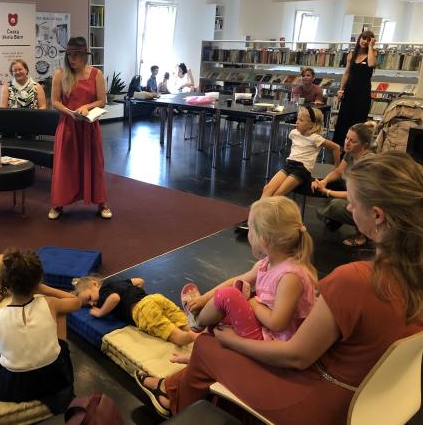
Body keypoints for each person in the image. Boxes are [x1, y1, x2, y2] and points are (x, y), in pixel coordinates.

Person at [135, 152, 423, 424]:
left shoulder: (355, 280)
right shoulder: (409, 276)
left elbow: (295, 356)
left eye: (353, 200)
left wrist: (231, 341)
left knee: (209, 345)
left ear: (377, 215)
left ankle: (174, 403)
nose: (348, 206)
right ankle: (172, 388)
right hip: (367, 401)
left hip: (319, 402)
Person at [175, 196, 316, 364]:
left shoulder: (291, 277)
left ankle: (196, 322)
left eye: (250, 228)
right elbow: (236, 279)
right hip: (264, 329)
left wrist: (252, 302)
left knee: (229, 296)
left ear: (263, 239)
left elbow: (277, 324)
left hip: (272, 341)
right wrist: (204, 299)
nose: (248, 232)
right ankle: (199, 350)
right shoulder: (266, 263)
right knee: (223, 310)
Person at [0, 248, 81, 414]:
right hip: (56, 377)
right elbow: (76, 301)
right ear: (38, 280)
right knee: (61, 313)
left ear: (5, 283)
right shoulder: (51, 304)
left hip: (17, 386)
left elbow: (0, 357)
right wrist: (44, 289)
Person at [237, 106, 340, 231]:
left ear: (311, 124)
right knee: (268, 188)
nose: (297, 122)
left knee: (279, 193)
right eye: (297, 119)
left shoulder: (315, 138)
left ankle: (263, 222)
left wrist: (337, 167)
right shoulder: (294, 133)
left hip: (302, 170)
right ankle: (254, 219)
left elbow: (336, 148)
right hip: (289, 165)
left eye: (301, 120)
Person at [48, 36, 110, 220]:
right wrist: (70, 112)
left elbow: (102, 101)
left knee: (95, 164)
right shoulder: (60, 74)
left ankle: (101, 202)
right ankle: (58, 203)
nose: (71, 59)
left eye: (76, 55)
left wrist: (87, 107)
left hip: (89, 127)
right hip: (68, 126)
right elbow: (55, 102)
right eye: (69, 55)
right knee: (64, 166)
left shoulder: (96, 74)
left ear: (85, 56)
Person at [73, 276, 198, 347]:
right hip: (154, 298)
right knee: (179, 319)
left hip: (141, 309)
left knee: (168, 330)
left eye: (89, 298)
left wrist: (100, 312)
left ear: (94, 284)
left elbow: (114, 298)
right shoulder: (115, 281)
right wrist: (132, 294)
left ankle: (185, 337)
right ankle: (194, 330)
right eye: (88, 304)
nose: (91, 304)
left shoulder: (104, 293)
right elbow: (140, 281)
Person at [312, 122, 375, 247]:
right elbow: (338, 171)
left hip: (368, 205)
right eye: (347, 138)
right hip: (355, 196)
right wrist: (324, 181)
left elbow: (355, 194)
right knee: (327, 201)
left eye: (353, 141)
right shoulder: (351, 152)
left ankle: (366, 233)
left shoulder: (367, 162)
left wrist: (327, 191)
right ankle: (338, 221)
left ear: (365, 145)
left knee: (334, 206)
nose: (347, 142)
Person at [332, 30, 376, 151]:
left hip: (362, 94)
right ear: (359, 38)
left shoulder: (372, 53)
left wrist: (371, 46)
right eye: (363, 38)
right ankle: (340, 149)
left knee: (358, 122)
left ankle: (357, 149)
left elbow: (371, 64)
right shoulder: (351, 54)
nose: (365, 41)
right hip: (349, 92)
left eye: (368, 39)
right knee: (343, 120)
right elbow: (346, 73)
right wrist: (341, 90)